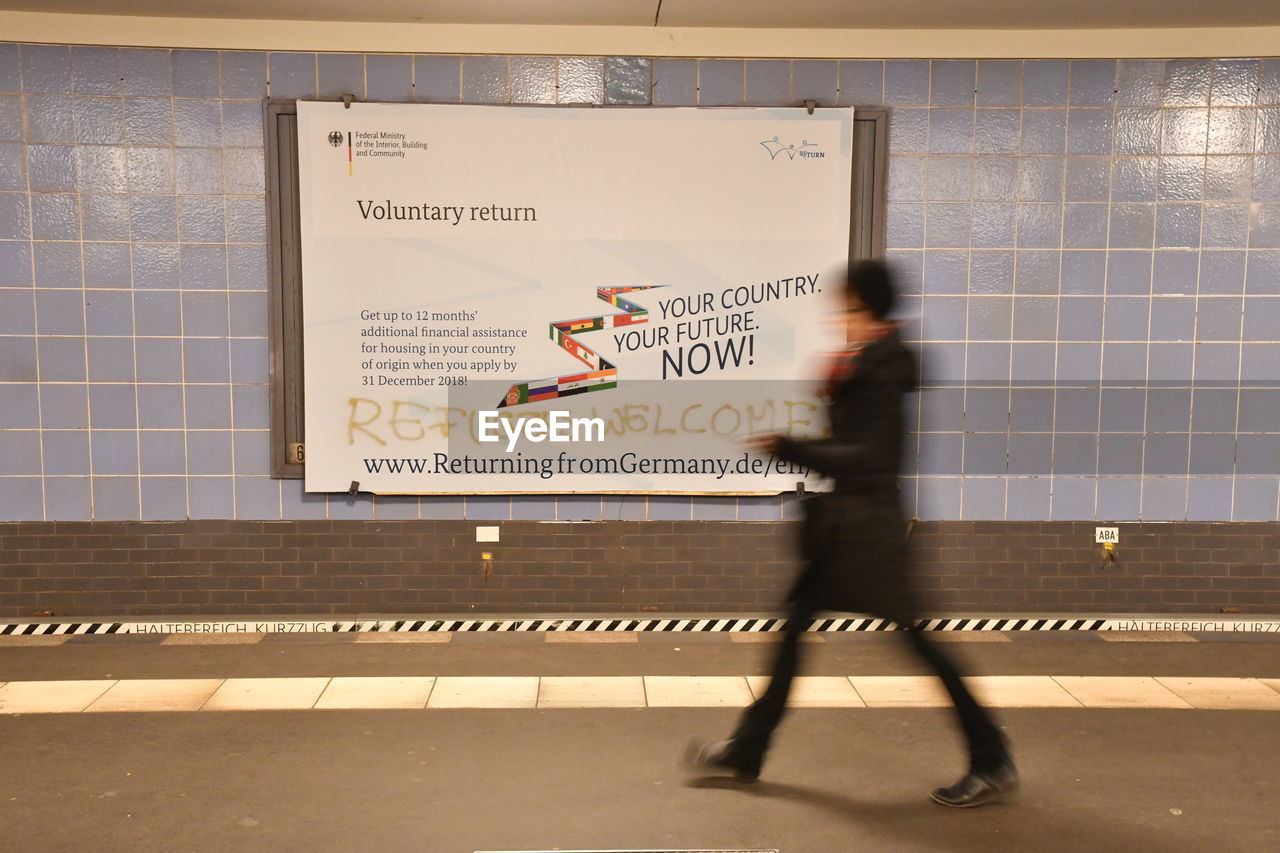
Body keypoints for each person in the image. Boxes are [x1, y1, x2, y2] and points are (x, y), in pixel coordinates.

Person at [680, 259, 1017, 808]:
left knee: (921, 645)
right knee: (794, 635)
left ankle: (992, 758)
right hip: (850, 533)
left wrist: (792, 447)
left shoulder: (883, 367)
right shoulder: (868, 361)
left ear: (869, 307)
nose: (841, 319)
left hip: (870, 538)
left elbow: (872, 457)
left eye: (849, 308)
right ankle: (747, 750)